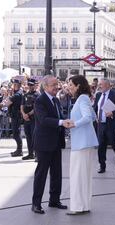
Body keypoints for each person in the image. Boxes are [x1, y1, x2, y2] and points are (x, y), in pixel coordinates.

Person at [31, 75, 69, 214]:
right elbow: (43, 120)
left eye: (57, 84)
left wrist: (66, 121)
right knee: (41, 173)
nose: (56, 87)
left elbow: (59, 117)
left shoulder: (56, 100)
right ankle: (36, 204)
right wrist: (61, 122)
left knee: (56, 173)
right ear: (45, 86)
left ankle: (54, 200)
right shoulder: (40, 100)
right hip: (44, 142)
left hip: (56, 142)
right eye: (53, 85)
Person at [66, 75, 99, 215]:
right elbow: (93, 116)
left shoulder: (82, 99)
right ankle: (84, 205)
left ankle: (78, 206)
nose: (69, 87)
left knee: (77, 175)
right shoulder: (84, 98)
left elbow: (88, 117)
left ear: (78, 86)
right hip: (84, 142)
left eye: (71, 85)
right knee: (83, 176)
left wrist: (74, 123)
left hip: (81, 143)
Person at [93, 78, 115, 174]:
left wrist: (113, 112)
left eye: (101, 84)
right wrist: (94, 115)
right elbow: (96, 107)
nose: (99, 86)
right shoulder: (99, 95)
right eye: (99, 84)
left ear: (108, 85)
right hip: (101, 125)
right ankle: (102, 166)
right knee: (101, 147)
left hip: (112, 125)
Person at [21, 78, 40, 160]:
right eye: (29, 84)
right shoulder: (25, 94)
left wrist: (28, 114)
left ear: (35, 85)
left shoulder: (37, 95)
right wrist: (23, 114)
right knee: (28, 136)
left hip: (33, 119)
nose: (30, 86)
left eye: (31, 85)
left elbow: (36, 108)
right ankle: (30, 153)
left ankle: (37, 155)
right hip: (26, 119)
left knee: (34, 136)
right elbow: (21, 106)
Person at [6, 79, 23, 157]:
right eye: (14, 84)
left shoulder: (17, 94)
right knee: (16, 133)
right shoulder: (16, 93)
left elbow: (7, 103)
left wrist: (8, 96)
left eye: (16, 84)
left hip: (16, 116)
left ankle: (19, 150)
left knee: (16, 134)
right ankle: (19, 149)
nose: (14, 86)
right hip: (14, 115)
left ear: (19, 85)